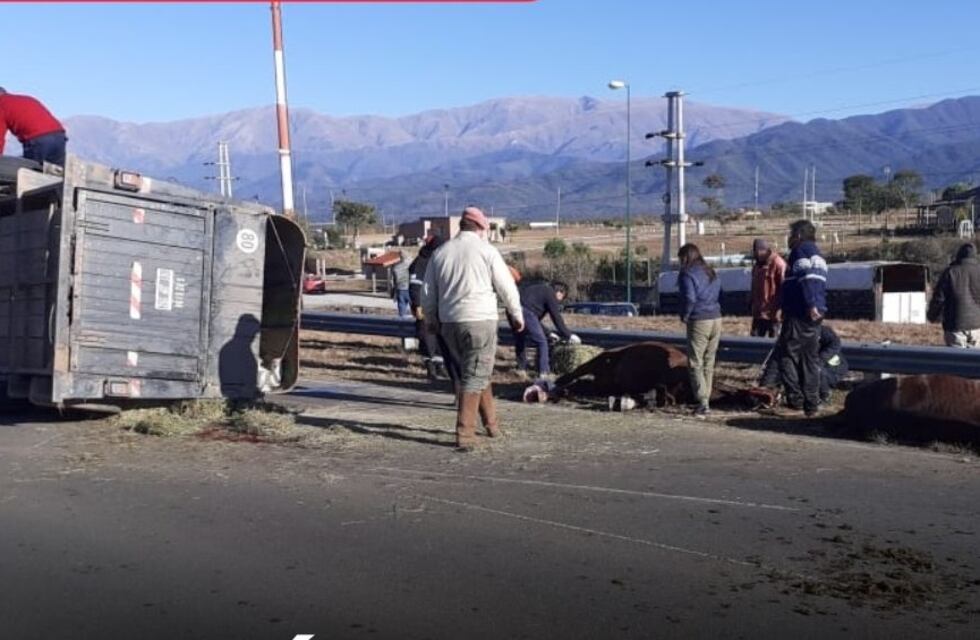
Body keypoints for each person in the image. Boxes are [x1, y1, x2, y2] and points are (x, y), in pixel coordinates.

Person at [422, 206, 524, 450]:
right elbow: (506, 285)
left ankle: (492, 424)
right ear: (480, 228)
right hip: (479, 320)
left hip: (449, 322)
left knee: (476, 372)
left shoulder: (441, 253)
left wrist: (431, 319)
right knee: (475, 374)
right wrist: (516, 313)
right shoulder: (486, 251)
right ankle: (465, 433)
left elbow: (428, 292)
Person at [776, 219, 828, 417]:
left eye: (791, 234)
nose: (789, 238)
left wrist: (810, 303)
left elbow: (809, 278)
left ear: (797, 235)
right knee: (809, 359)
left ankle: (796, 399)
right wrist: (816, 305)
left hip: (799, 313)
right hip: (813, 314)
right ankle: (812, 404)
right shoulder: (816, 252)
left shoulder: (800, 251)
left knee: (786, 356)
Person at [677, 243, 722, 417]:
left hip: (699, 319)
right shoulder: (710, 271)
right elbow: (720, 292)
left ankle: (702, 401)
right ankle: (707, 399)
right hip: (716, 318)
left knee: (695, 361)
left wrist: (686, 315)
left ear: (685, 257)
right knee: (709, 360)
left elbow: (689, 297)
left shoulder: (687, 274)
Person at [408, 235, 459, 382]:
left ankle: (440, 366)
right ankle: (431, 369)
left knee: (439, 339)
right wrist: (417, 305)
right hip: (424, 307)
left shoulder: (439, 261)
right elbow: (415, 286)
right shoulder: (421, 262)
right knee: (427, 338)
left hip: (439, 307)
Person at [760, 324, 848, 402]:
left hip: (831, 369)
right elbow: (776, 362)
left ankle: (823, 395)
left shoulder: (821, 332)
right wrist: (766, 385)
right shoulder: (788, 336)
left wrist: (819, 360)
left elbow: (834, 344)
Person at [514, 281, 580, 378]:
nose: (560, 301)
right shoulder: (550, 293)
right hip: (525, 311)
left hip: (513, 309)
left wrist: (548, 333)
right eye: (562, 297)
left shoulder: (539, 290)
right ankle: (544, 372)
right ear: (559, 293)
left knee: (520, 339)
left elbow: (534, 319)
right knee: (542, 342)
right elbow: (556, 317)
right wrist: (569, 335)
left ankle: (521, 369)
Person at [927, 242, 980, 349]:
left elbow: (939, 299)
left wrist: (932, 316)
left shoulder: (950, 272)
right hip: (977, 325)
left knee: (957, 362)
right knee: (975, 362)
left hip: (955, 325)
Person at [0, 88, 67, 166]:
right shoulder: (25, 99)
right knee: (56, 173)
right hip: (59, 135)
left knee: (30, 172)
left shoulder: (2, 105)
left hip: (38, 139)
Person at [749, 238, 786, 338]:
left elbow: (784, 287)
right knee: (754, 343)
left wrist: (781, 308)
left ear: (762, 250)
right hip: (759, 313)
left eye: (756, 251)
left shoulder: (778, 264)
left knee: (773, 344)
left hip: (773, 314)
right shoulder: (757, 266)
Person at [391, 250, 411, 318]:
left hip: (400, 289)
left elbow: (393, 280)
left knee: (401, 308)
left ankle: (402, 324)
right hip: (410, 288)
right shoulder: (411, 264)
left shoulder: (396, 267)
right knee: (415, 307)